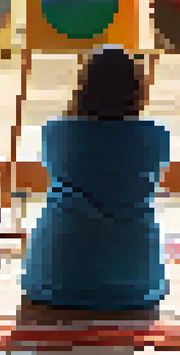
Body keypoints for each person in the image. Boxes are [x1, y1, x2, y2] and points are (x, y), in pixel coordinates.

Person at [22, 47, 170, 311]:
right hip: (134, 279)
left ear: (84, 85)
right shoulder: (156, 135)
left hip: (55, 277)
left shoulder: (55, 131)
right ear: (138, 90)